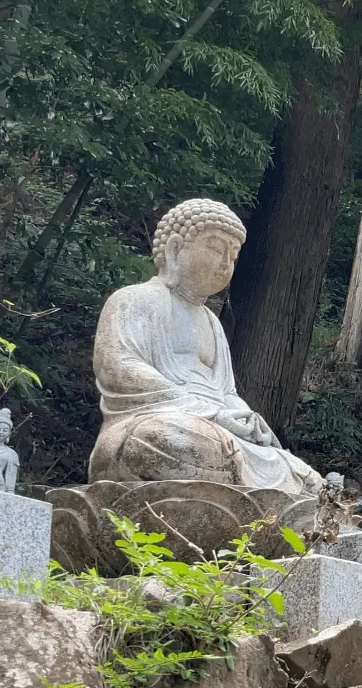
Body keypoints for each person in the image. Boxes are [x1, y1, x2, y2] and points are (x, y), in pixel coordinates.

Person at [89, 198, 320, 493]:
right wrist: (208, 413)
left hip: (216, 428)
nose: (225, 263)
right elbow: (118, 367)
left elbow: (225, 392)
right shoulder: (134, 300)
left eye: (233, 255)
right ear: (174, 249)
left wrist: (245, 418)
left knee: (306, 478)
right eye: (214, 248)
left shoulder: (211, 323)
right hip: (153, 421)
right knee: (174, 441)